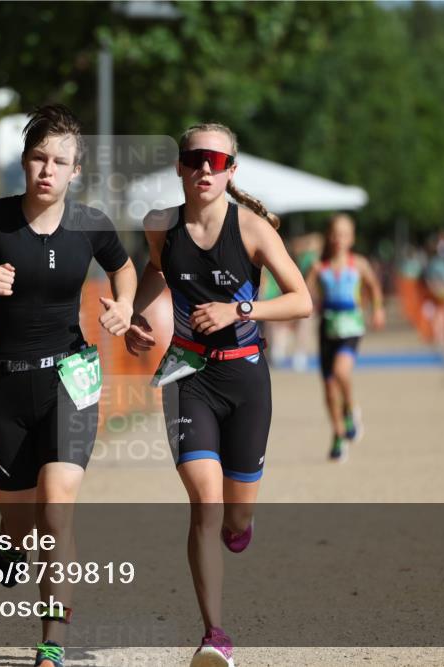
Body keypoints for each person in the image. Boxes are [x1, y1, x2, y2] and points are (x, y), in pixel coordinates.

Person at [0, 104, 136, 667]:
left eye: (60, 160)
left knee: (57, 510)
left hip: (71, 378)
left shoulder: (91, 224)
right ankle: (11, 538)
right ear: (24, 162)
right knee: (23, 525)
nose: (48, 169)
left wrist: (125, 305)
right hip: (6, 388)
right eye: (40, 157)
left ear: (75, 172)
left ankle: (52, 641)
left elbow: (124, 267)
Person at [124, 123, 312, 667]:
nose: (204, 168)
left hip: (246, 379)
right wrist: (138, 315)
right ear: (181, 167)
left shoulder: (251, 229)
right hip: (188, 377)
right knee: (204, 503)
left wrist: (241, 309)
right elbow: (155, 271)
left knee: (235, 517)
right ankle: (215, 634)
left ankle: (241, 525)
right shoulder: (160, 226)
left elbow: (300, 300)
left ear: (231, 170)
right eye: (194, 158)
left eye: (215, 159)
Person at [305, 214, 385, 461]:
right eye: (334, 233)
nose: (338, 239)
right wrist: (312, 274)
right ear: (328, 236)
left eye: (343, 234)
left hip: (351, 327)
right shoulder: (320, 266)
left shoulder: (358, 264)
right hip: (327, 328)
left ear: (351, 238)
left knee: (341, 373)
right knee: (329, 388)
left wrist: (378, 309)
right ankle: (338, 434)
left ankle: (351, 408)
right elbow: (303, 294)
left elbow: (373, 286)